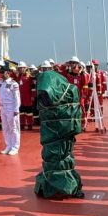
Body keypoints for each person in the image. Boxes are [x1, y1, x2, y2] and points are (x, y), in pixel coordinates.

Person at [34, 66, 84, 199]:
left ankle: (60, 185)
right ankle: (67, 183)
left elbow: (47, 99)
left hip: (56, 131)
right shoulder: (68, 91)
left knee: (59, 154)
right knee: (61, 155)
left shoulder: (54, 97)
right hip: (61, 130)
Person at [0, 65, 22, 155]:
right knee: (5, 128)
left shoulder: (14, 83)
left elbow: (17, 98)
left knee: (14, 128)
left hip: (11, 107)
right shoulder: (0, 83)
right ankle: (8, 146)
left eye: (2, 72)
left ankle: (15, 147)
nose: (0, 74)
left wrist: (16, 109)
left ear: (7, 73)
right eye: (0, 72)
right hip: (2, 108)